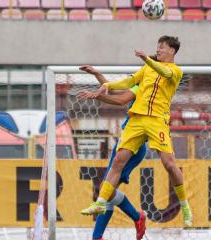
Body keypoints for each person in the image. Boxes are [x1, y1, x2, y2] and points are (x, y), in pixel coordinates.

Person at [78, 36, 192, 228]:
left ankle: (185, 205)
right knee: (118, 161)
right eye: (157, 47)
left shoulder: (175, 71)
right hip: (137, 120)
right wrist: (104, 85)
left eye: (162, 47)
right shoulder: (146, 71)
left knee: (170, 164)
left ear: (172, 51)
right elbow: (126, 84)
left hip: (157, 120)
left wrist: (147, 59)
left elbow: (163, 71)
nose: (158, 50)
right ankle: (100, 203)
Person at [75, 64, 148, 240]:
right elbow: (115, 89)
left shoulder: (147, 87)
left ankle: (97, 238)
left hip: (134, 145)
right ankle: (135, 217)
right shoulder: (141, 84)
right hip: (125, 140)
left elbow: (121, 99)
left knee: (105, 191)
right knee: (107, 190)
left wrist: (96, 95)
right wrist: (98, 75)